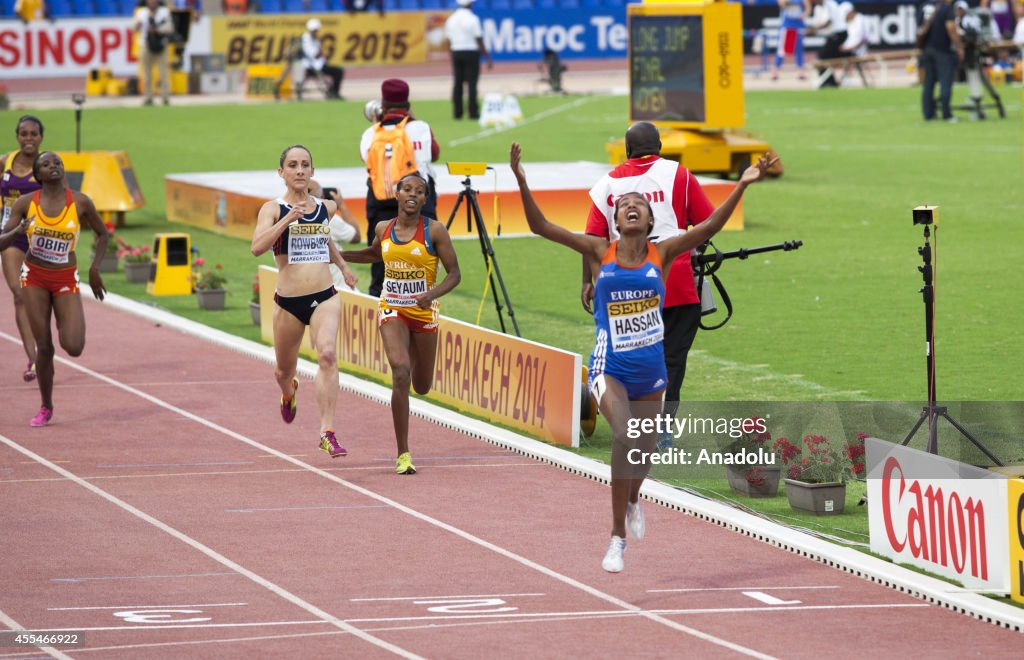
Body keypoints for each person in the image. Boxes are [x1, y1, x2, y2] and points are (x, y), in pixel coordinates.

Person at [511, 142, 775, 573]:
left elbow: (707, 227)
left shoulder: (664, 253)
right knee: (624, 435)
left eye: (639, 204)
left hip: (651, 370)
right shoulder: (599, 253)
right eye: (624, 205)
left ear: (650, 220)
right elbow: (540, 226)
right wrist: (522, 180)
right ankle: (616, 537)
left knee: (642, 454)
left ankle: (634, 499)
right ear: (615, 222)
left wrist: (742, 185)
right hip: (609, 367)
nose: (631, 207)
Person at [582, 122, 742, 436]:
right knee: (670, 362)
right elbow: (707, 222)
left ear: (627, 150)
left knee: (627, 357)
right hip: (678, 285)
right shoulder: (678, 175)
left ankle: (632, 425)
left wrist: (587, 282)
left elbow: (592, 238)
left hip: (624, 292)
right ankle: (660, 432)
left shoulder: (607, 184)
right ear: (660, 146)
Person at [341, 173, 461, 475]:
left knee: (421, 385)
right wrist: (336, 256)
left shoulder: (435, 231)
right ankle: (403, 453)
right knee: (400, 371)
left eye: (419, 191)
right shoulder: (384, 228)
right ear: (397, 194)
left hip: (423, 313)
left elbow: (454, 274)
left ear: (425, 199)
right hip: (391, 308)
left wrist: (430, 295)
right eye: (407, 189)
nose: (412, 194)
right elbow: (373, 254)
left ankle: (406, 434)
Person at [250, 145, 358, 459]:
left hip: (324, 296)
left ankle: (327, 432)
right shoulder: (272, 209)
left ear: (312, 172)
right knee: (284, 371)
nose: (299, 170)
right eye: (293, 165)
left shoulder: (327, 206)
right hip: (288, 302)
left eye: (305, 165)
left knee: (326, 354)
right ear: (281, 172)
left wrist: (342, 266)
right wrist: (288, 220)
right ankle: (288, 393)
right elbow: (257, 247)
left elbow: (324, 238)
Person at [0, 152, 109, 427]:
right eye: (46, 164)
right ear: (39, 175)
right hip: (34, 277)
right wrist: (18, 232)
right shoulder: (26, 203)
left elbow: (103, 233)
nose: (54, 166)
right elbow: (1, 242)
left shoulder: (80, 202)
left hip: (64, 277)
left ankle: (64, 316)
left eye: (57, 163)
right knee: (45, 347)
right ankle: (46, 405)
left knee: (73, 346)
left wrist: (95, 268)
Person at [359, 78, 440, 297]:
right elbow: (434, 153)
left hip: (380, 201)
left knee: (380, 260)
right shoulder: (420, 127)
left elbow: (365, 159)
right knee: (423, 260)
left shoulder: (370, 134)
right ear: (408, 103)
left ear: (382, 105)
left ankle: (378, 301)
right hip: (417, 200)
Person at [1, 116, 43, 383]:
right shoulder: (4, 161)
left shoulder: (47, 165)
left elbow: (64, 198)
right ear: (17, 136)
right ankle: (35, 358)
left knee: (37, 298)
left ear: (41, 137)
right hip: (9, 236)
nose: (29, 138)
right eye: (24, 134)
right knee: (18, 293)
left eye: (34, 134)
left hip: (38, 237)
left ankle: (44, 344)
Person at [307, 179, 361, 292]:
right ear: (321, 196)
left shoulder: (286, 215)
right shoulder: (329, 218)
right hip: (340, 289)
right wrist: (341, 205)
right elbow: (356, 237)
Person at [444, 0, 492, 120]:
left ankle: (457, 112)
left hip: (456, 51)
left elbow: (448, 39)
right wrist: (487, 57)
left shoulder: (451, 19)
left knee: (458, 82)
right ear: (470, 4)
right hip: (471, 51)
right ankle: (473, 112)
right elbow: (478, 38)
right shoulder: (472, 19)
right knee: (472, 83)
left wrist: (451, 54)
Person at [919, 0, 965, 122]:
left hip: (927, 49)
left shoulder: (924, 6)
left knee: (928, 82)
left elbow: (920, 26)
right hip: (943, 50)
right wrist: (959, 47)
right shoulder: (946, 8)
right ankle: (946, 113)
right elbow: (950, 27)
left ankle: (928, 114)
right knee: (946, 82)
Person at [133, 0, 175, 106]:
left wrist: (157, 30)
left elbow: (170, 27)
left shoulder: (164, 12)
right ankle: (148, 97)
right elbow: (134, 28)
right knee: (146, 73)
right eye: (150, 2)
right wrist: (138, 25)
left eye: (154, 2)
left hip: (161, 44)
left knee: (164, 73)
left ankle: (165, 97)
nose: (152, 3)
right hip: (146, 44)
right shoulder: (142, 13)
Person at [301, 19, 344, 100]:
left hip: (318, 65)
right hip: (312, 67)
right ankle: (334, 93)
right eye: (315, 30)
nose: (316, 32)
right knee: (338, 71)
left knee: (338, 70)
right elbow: (313, 55)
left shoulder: (314, 39)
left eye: (316, 30)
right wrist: (320, 51)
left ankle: (333, 92)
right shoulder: (306, 39)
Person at [772, 0, 810, 81]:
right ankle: (776, 71)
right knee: (782, 49)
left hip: (798, 25)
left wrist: (805, 15)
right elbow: (781, 3)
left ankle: (800, 71)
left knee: (799, 49)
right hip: (788, 25)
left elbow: (808, 7)